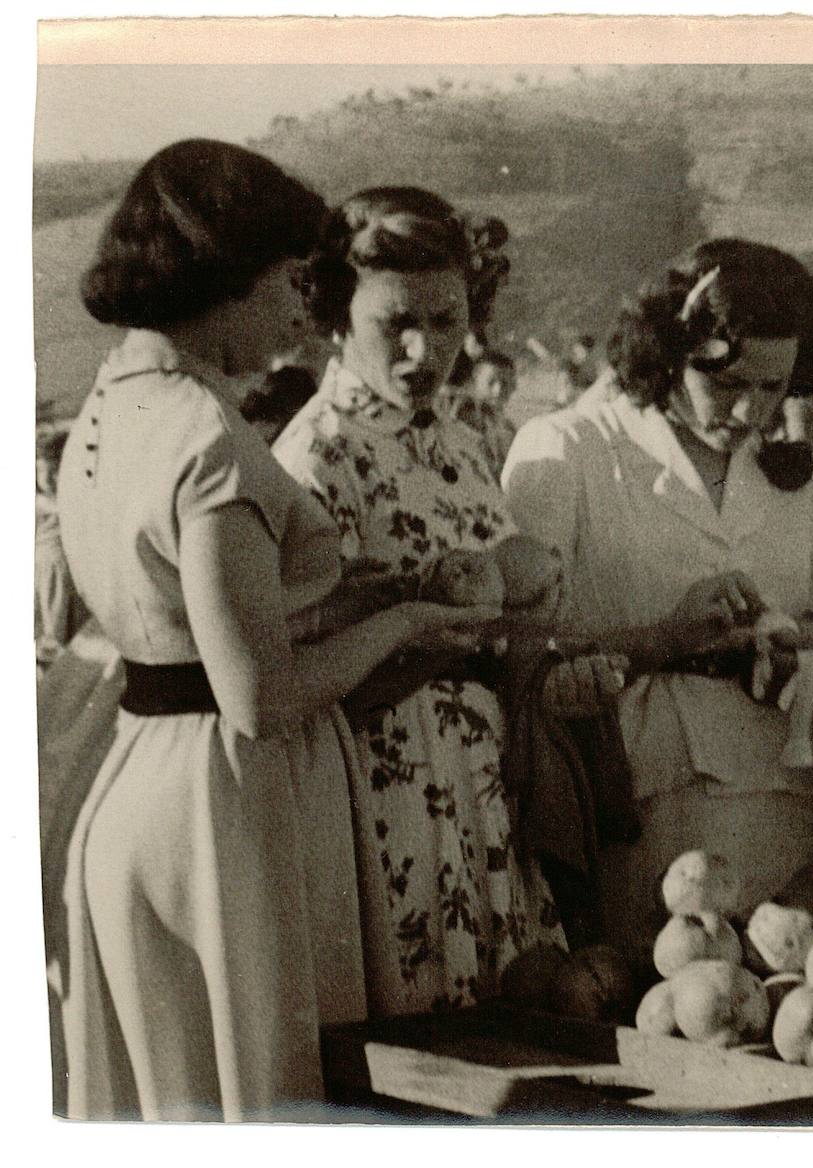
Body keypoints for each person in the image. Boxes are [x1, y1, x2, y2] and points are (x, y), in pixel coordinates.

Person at [55, 141, 483, 1121]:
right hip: (226, 803)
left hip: (139, 776)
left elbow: (188, 621)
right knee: (263, 1103)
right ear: (224, 279)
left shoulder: (114, 404)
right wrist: (416, 618)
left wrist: (382, 589)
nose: (304, 312)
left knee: (178, 1102)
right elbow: (260, 697)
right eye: (292, 283)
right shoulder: (209, 441)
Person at [503, 239, 813, 962]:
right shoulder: (569, 451)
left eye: (774, 388)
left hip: (775, 790)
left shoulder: (806, 479)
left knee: (774, 991)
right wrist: (667, 638)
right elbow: (513, 661)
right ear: (668, 352)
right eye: (727, 385)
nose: (750, 411)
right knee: (650, 989)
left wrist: (803, 651)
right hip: (634, 791)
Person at [273, 187, 575, 1017]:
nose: (423, 349)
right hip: (385, 788)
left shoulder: (462, 440)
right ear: (337, 317)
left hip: (486, 776)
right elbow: (298, 669)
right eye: (394, 323)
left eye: (447, 322)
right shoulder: (315, 458)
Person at [35, 421, 85, 675]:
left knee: (65, 626)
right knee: (55, 627)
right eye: (42, 472)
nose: (47, 479)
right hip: (52, 568)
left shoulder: (70, 497)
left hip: (64, 569)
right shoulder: (41, 504)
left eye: (53, 472)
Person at [439, 348, 519, 477]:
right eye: (491, 381)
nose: (498, 390)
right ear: (475, 377)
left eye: (505, 383)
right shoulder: (451, 405)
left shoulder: (505, 427)